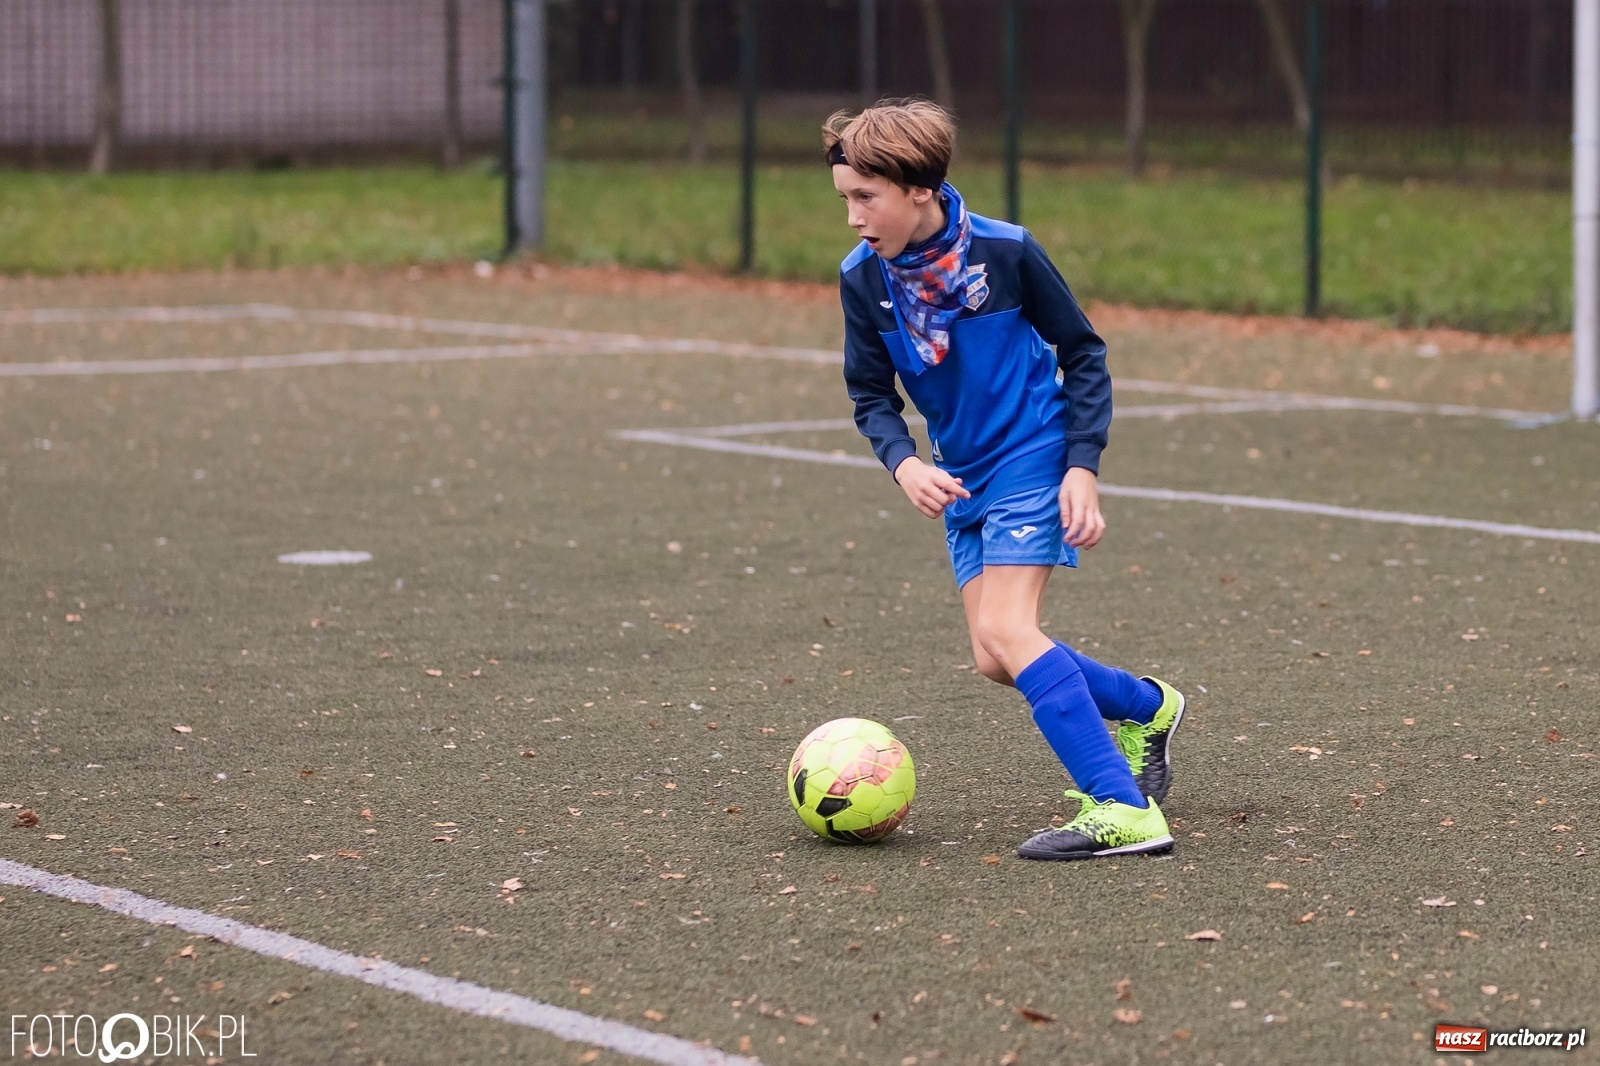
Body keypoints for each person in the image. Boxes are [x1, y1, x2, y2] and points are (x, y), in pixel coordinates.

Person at [826, 100, 1184, 861]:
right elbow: (869, 394)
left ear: (918, 186)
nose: (854, 217)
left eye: (866, 197)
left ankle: (1123, 808)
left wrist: (1080, 467)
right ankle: (1148, 707)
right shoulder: (863, 279)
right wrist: (907, 462)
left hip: (1034, 451)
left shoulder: (1007, 251)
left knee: (1008, 631)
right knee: (995, 659)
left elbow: (1083, 353)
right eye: (845, 199)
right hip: (962, 475)